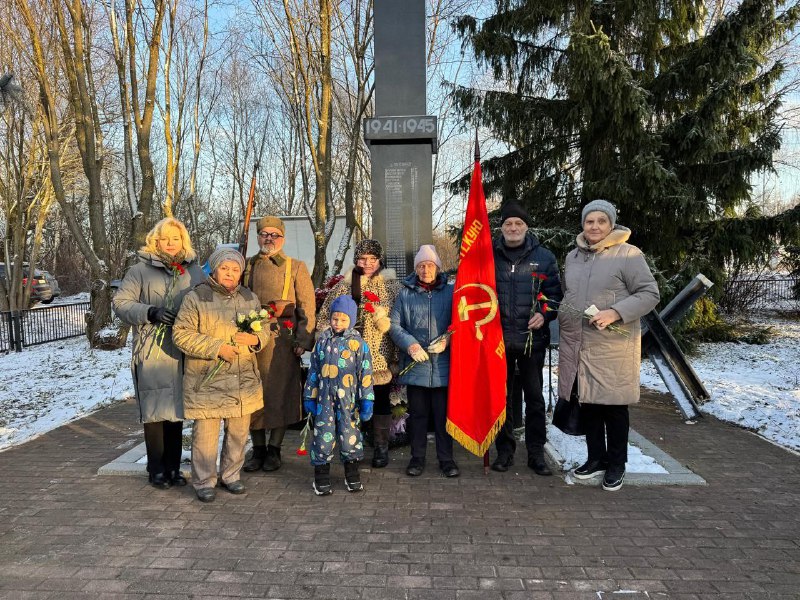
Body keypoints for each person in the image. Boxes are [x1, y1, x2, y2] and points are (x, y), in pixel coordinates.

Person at [558, 199, 660, 491]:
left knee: (614, 407)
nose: (595, 226)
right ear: (583, 224)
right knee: (588, 403)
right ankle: (596, 458)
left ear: (611, 224)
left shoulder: (628, 254)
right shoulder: (573, 257)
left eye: (601, 221)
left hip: (612, 345)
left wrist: (615, 312)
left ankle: (617, 463)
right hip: (579, 344)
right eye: (590, 221)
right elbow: (570, 294)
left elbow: (649, 293)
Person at [172, 247, 271, 503]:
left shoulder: (249, 297)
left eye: (235, 269)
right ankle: (204, 480)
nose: (230, 273)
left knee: (238, 432)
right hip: (208, 379)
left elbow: (265, 330)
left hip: (242, 378)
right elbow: (181, 334)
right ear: (214, 270)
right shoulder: (196, 297)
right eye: (224, 268)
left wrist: (255, 338)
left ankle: (231, 475)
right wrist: (217, 348)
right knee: (206, 434)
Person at [113, 217, 205, 490]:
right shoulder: (140, 271)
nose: (171, 244)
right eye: (165, 239)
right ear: (156, 241)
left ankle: (174, 468)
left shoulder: (194, 271)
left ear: (183, 241)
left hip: (182, 348)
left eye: (175, 239)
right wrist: (149, 312)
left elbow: (206, 302)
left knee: (176, 411)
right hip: (152, 348)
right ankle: (156, 469)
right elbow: (121, 303)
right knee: (155, 411)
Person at [491, 202, 563, 476]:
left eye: (518, 224)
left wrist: (544, 314)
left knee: (534, 398)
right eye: (508, 224)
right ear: (502, 228)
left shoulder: (544, 257)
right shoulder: (490, 256)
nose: (513, 228)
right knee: (503, 399)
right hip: (499, 341)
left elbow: (554, 296)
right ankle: (505, 452)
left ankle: (536, 453)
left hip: (532, 341)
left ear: (526, 227)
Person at [317, 239, 400, 468]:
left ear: (379, 260)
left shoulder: (391, 286)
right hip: (347, 358)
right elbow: (324, 317)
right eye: (363, 258)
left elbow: (400, 321)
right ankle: (353, 446)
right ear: (356, 260)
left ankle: (381, 447)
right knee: (349, 403)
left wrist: (395, 353)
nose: (368, 263)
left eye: (373, 259)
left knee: (380, 400)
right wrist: (330, 339)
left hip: (379, 354)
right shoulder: (343, 286)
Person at [242, 216, 316, 473]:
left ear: (282, 238)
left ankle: (274, 448)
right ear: (258, 236)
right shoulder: (245, 265)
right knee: (254, 396)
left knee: (280, 395)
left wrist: (303, 340)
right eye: (264, 234)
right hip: (250, 340)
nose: (269, 238)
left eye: (275, 234)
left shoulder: (295, 267)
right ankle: (258, 448)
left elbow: (307, 306)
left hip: (282, 342)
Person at [389, 245, 458, 478]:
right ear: (416, 269)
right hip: (416, 365)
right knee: (418, 416)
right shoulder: (405, 294)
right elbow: (395, 325)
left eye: (429, 265)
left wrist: (447, 341)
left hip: (442, 367)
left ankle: (446, 459)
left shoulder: (450, 292)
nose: (425, 270)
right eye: (421, 266)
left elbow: (460, 323)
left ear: (437, 268)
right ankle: (417, 458)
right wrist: (410, 344)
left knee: (442, 416)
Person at [303, 295, 374, 495]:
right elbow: (314, 370)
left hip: (348, 401)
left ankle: (352, 476)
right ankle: (321, 478)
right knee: (322, 438)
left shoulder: (358, 344)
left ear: (351, 320)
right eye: (335, 318)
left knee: (349, 436)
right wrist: (309, 395)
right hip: (324, 399)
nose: (338, 323)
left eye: (343, 319)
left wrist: (366, 399)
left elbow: (365, 373)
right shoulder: (322, 341)